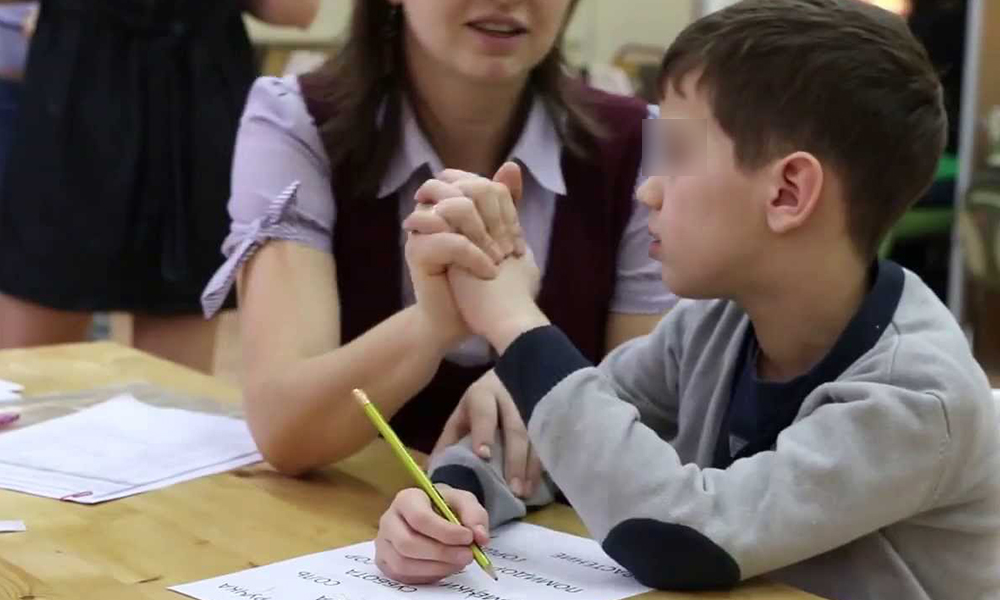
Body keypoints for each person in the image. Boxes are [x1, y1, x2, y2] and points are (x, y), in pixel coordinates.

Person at [373, 1, 1000, 598]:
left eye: (675, 154)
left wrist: (513, 321)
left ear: (787, 193)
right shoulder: (713, 325)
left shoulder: (919, 397)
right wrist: (452, 500)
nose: (648, 191)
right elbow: (554, 446)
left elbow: (681, 536)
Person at [199, 0, 675, 485]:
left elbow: (653, 414)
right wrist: (433, 322)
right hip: (349, 520)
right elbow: (285, 429)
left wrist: (542, 378)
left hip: (565, 534)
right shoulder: (295, 120)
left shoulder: (642, 146)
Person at [0, 0, 319, 372]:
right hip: (90, 99)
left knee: (170, 392)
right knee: (30, 376)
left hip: (181, 104)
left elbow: (295, 12)